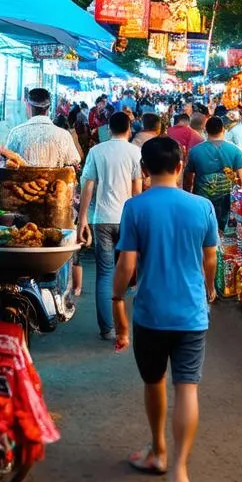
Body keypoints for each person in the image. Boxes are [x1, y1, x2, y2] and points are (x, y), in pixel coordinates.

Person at [113, 136, 218, 482]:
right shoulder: (203, 206)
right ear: (180, 166)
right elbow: (210, 259)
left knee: (154, 381)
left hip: (150, 313)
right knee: (186, 387)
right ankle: (180, 473)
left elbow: (126, 264)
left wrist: (115, 300)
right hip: (191, 313)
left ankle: (158, 451)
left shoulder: (135, 207)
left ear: (144, 169)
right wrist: (209, 290)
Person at [78, 112, 143, 341]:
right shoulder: (135, 152)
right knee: (127, 271)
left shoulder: (97, 151)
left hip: (102, 219)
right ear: (128, 129)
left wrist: (82, 218)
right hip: (127, 219)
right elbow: (137, 190)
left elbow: (88, 187)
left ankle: (107, 329)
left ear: (108, 130)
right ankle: (127, 323)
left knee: (104, 274)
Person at [186, 116, 242, 232]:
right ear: (223, 130)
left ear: (206, 130)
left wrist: (187, 195)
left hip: (201, 200)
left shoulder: (195, 151)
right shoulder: (235, 150)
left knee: (204, 229)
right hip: (225, 199)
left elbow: (187, 178)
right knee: (222, 229)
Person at [5, 87, 80, 168]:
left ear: (28, 105)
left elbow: (7, 162)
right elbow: (74, 162)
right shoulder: (64, 135)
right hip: (57, 180)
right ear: (49, 107)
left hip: (23, 180)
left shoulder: (16, 133)